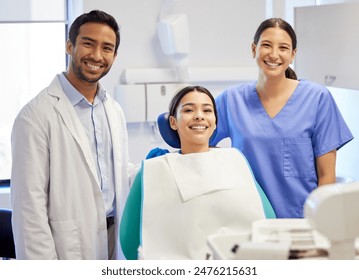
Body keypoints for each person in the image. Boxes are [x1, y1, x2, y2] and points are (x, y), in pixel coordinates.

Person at [11, 10, 136, 259]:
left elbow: (115, 173)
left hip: (114, 240)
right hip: (68, 248)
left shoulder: (113, 110)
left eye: (107, 48)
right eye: (88, 44)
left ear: (115, 55)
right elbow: (29, 208)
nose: (97, 56)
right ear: (70, 46)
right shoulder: (36, 115)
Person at [210, 18, 354, 219]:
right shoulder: (231, 100)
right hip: (248, 219)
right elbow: (199, 145)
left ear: (293, 54)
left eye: (283, 48)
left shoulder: (317, 98)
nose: (274, 54)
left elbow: (326, 175)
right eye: (266, 45)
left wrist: (319, 224)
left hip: (301, 221)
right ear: (254, 49)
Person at [120, 86, 276, 260]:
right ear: (173, 122)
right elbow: (130, 241)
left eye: (207, 110)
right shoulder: (153, 171)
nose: (199, 115)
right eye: (188, 110)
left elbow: (266, 219)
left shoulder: (235, 161)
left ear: (215, 121)